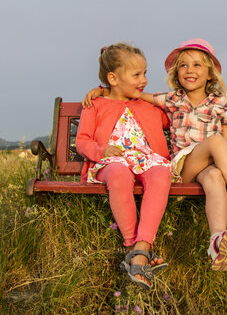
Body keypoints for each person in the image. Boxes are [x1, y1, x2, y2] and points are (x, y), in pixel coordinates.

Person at [83, 38, 227, 271]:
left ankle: (217, 242)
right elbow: (131, 94)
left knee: (215, 177)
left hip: (208, 166)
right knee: (215, 141)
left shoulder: (222, 103)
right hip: (183, 167)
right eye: (183, 65)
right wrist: (102, 89)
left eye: (197, 65)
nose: (189, 70)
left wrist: (226, 170)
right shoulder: (172, 100)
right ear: (176, 72)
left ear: (210, 73)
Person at [76, 43, 172, 290]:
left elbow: (176, 114)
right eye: (136, 75)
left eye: (145, 73)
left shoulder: (147, 104)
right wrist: (101, 151)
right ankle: (131, 245)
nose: (144, 80)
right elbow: (83, 140)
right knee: (119, 174)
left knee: (161, 173)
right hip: (110, 160)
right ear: (113, 78)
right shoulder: (95, 105)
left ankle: (142, 247)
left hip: (144, 158)